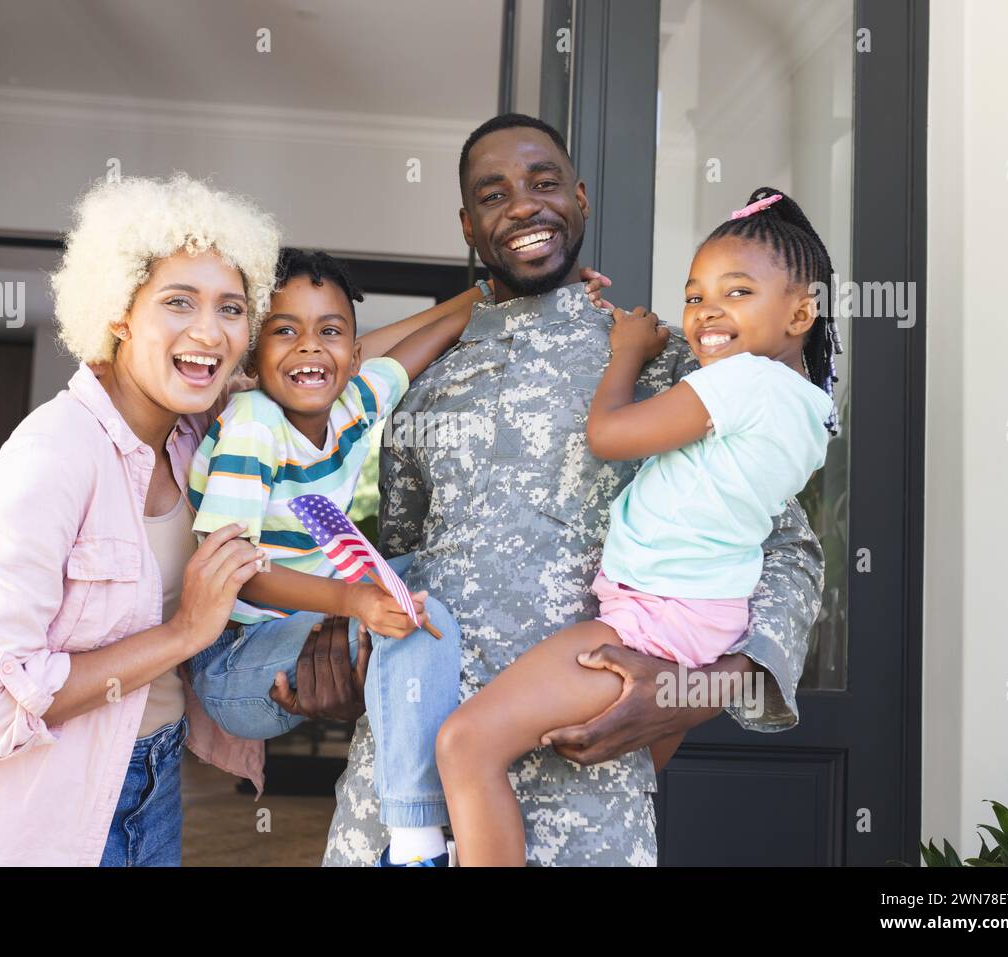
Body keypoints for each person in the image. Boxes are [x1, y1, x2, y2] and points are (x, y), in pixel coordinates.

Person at [313, 114, 826, 866]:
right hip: (405, 776)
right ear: (468, 223)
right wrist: (339, 628)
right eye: (494, 195)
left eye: (544, 183)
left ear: (580, 200)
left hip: (587, 789)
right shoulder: (424, 384)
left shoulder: (675, 362)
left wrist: (697, 691)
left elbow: (788, 551)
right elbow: (396, 563)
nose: (522, 206)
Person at [436, 188, 843, 865]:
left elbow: (608, 434)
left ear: (800, 311)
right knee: (618, 782)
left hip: (649, 622)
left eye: (735, 291)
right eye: (695, 294)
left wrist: (626, 349)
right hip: (698, 619)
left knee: (465, 742)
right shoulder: (808, 407)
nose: (706, 311)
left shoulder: (733, 378)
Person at [185, 248, 610, 866]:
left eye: (330, 332)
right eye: (284, 332)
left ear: (355, 355)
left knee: (432, 585)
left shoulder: (354, 405)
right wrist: (355, 598)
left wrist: (510, 292)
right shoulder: (253, 422)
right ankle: (415, 845)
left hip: (307, 625)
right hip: (236, 664)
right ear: (252, 355)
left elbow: (432, 334)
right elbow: (235, 576)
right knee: (401, 612)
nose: (309, 348)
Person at [0, 173, 278, 865]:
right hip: (44, 812)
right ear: (118, 313)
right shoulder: (51, 457)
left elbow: (328, 371)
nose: (209, 330)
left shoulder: (197, 439)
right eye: (177, 301)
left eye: (231, 307)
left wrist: (479, 299)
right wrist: (184, 632)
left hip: (154, 782)